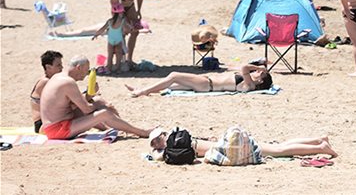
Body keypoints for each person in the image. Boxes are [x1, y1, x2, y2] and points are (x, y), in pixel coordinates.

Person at [40, 55, 152, 139]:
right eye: (86, 71)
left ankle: (118, 126)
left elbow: (71, 105)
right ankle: (141, 132)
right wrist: (100, 106)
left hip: (55, 125)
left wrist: (91, 96)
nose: (86, 75)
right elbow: (86, 109)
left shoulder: (59, 77)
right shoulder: (68, 82)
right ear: (79, 67)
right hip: (58, 129)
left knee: (98, 101)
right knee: (103, 113)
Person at [149, 127, 337, 162]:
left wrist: (157, 151)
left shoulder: (176, 146)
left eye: (156, 141)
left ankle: (320, 147)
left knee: (280, 150)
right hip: (233, 142)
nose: (156, 145)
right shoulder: (183, 138)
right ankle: (318, 139)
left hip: (235, 147)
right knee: (279, 146)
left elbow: (158, 157)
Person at [125, 63, 273, 97]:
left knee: (174, 75)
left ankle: (142, 92)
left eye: (260, 74)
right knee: (171, 86)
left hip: (207, 84)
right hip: (205, 82)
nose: (257, 72)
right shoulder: (248, 81)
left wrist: (259, 67)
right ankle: (142, 89)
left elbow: (244, 67)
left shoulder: (250, 85)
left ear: (261, 81)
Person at [111, 0, 145, 70]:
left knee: (135, 32)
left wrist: (139, 10)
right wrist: (120, 16)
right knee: (122, 32)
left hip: (130, 6)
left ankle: (129, 59)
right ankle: (121, 60)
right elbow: (112, 2)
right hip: (118, 8)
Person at [92, 4, 131, 73]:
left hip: (110, 40)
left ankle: (109, 69)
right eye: (122, 12)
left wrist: (96, 34)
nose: (123, 14)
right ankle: (118, 69)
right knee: (118, 55)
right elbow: (126, 29)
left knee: (110, 55)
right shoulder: (123, 21)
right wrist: (129, 29)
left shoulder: (109, 21)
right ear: (120, 13)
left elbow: (102, 29)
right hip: (118, 40)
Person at [31, 50, 63, 133]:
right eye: (58, 65)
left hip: (48, 120)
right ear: (48, 67)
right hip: (42, 124)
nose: (62, 68)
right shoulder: (45, 82)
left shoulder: (51, 80)